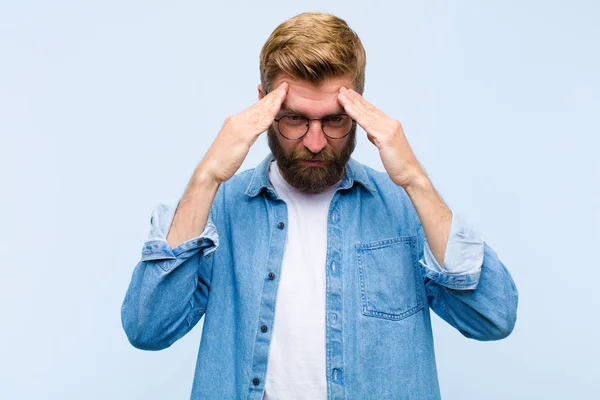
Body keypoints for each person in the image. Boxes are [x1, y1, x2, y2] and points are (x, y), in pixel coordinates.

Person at [121, 12, 518, 400]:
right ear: (263, 106)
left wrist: (415, 180)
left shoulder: (405, 206)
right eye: (294, 119)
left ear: (359, 110)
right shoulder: (219, 209)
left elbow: (494, 318)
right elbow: (147, 328)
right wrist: (206, 176)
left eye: (334, 120)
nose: (314, 142)